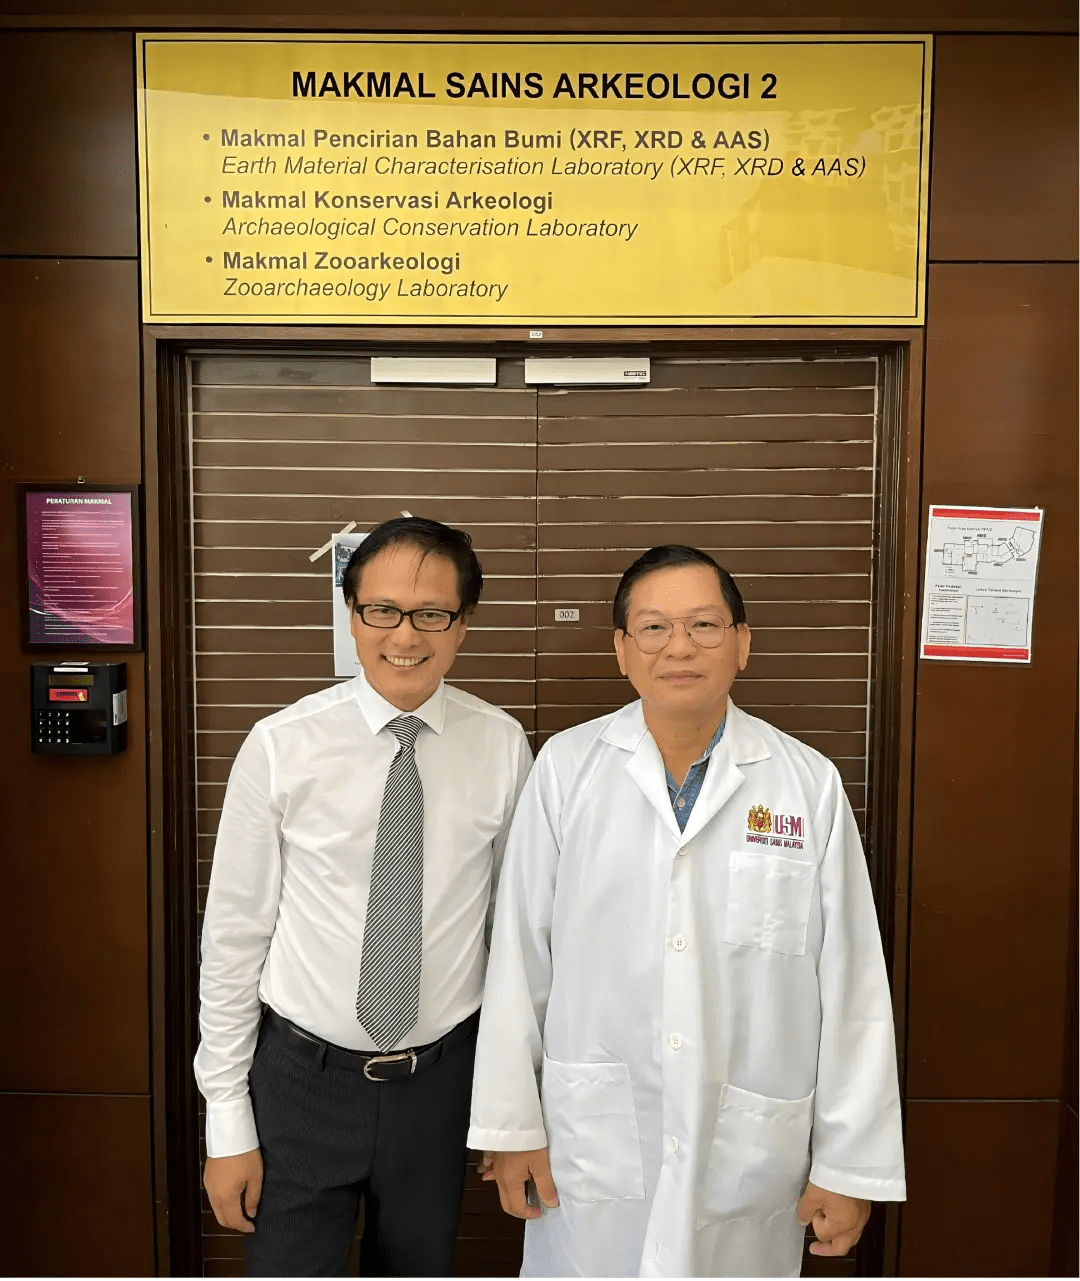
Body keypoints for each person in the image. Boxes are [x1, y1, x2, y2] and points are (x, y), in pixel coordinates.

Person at [468, 544, 905, 1278]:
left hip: (748, 1151)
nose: (679, 647)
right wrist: (511, 1126)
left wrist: (849, 1163)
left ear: (742, 642)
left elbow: (853, 984)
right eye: (654, 627)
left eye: (704, 625)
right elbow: (519, 956)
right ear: (621, 649)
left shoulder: (807, 784)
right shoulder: (567, 771)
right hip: (595, 1140)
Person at [196, 517, 532, 1277]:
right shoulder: (281, 745)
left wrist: (511, 1100)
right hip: (299, 1084)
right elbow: (233, 940)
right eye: (381, 610)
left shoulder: (502, 745)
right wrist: (226, 1120)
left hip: (439, 1083)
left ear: (463, 624)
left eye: (431, 613)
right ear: (352, 615)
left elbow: (513, 936)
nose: (404, 635)